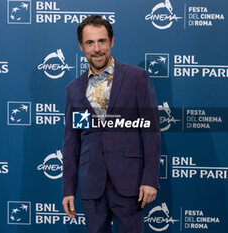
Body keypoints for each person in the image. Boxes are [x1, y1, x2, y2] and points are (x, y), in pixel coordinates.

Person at [62, 15, 161, 233]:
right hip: (92, 184)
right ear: (81, 46)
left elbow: (151, 132)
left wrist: (150, 179)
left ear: (112, 41)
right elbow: (71, 143)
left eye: (102, 41)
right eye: (90, 43)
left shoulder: (137, 78)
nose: (97, 49)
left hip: (130, 182)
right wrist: (68, 189)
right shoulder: (74, 89)